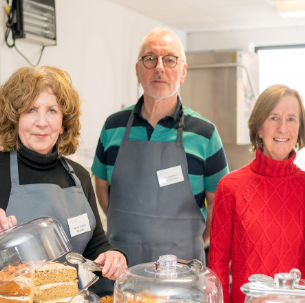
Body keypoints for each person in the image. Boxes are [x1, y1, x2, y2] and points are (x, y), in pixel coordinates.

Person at [0, 66, 127, 296]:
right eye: (31, 110)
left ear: (64, 121)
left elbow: (95, 246)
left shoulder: (79, 177)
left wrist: (112, 256)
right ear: (15, 119)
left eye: (52, 110)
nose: (42, 122)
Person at [91, 27, 228, 268]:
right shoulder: (113, 127)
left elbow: (220, 207)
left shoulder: (205, 134)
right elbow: (101, 185)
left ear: (183, 71)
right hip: (121, 272)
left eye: (170, 59)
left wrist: (188, 241)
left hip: (182, 273)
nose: (159, 68)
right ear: (138, 70)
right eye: (150, 59)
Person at [209, 84, 305, 303]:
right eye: (274, 118)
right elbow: (218, 263)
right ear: (259, 128)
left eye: (291, 119)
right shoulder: (230, 186)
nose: (282, 128)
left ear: (300, 128)